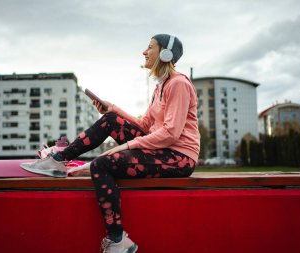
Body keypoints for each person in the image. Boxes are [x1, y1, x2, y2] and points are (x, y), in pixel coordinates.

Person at [20, 33, 200, 253]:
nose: (144, 52)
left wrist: (128, 145)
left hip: (179, 158)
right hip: (161, 149)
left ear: (165, 54)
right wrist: (113, 109)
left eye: (150, 47)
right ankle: (58, 160)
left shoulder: (179, 84)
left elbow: (171, 133)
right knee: (110, 120)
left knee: (100, 165)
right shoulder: (159, 87)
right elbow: (144, 125)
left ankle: (118, 241)